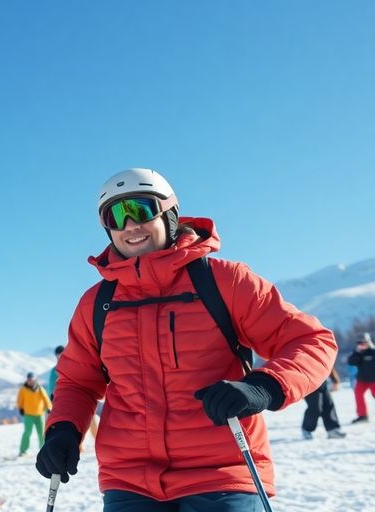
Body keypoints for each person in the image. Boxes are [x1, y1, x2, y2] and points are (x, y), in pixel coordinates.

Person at [35, 168, 337, 511]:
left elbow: (313, 341)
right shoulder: (96, 303)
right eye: (116, 216)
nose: (131, 224)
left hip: (223, 473)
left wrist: (263, 387)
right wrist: (63, 430)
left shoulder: (225, 281)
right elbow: (77, 381)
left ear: (169, 213)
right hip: (130, 481)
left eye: (142, 209)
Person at [301, 368, 346, 439]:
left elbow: (327, 364)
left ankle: (332, 430)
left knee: (328, 404)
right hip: (309, 382)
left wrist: (335, 379)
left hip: (322, 381)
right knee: (315, 408)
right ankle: (307, 429)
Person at [16, 373, 52, 457]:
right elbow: (19, 400)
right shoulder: (23, 389)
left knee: (41, 433)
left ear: (35, 380)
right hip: (28, 415)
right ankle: (23, 450)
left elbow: (46, 399)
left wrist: (49, 407)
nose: (30, 381)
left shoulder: (40, 389)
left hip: (39, 414)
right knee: (27, 432)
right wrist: (20, 408)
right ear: (27, 380)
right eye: (29, 380)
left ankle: (44, 449)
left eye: (32, 380)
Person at [348, 332, 375, 423]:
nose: (361, 345)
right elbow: (351, 362)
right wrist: (356, 352)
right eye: (359, 343)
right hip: (362, 380)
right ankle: (363, 415)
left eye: (363, 343)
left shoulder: (373, 352)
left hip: (373, 380)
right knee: (358, 395)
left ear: (368, 342)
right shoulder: (358, 353)